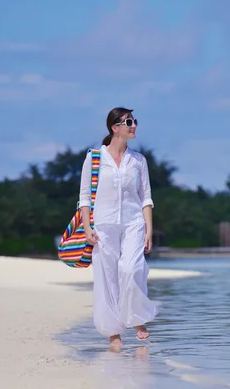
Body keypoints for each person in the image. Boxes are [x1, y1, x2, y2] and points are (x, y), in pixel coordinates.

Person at [78, 106, 159, 350]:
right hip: (103, 224)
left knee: (131, 268)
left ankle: (136, 319)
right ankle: (113, 333)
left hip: (134, 222)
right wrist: (87, 226)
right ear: (115, 128)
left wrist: (149, 229)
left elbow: (146, 197)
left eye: (134, 121)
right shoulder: (94, 158)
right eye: (128, 122)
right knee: (107, 276)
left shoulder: (138, 160)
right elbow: (84, 197)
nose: (134, 125)